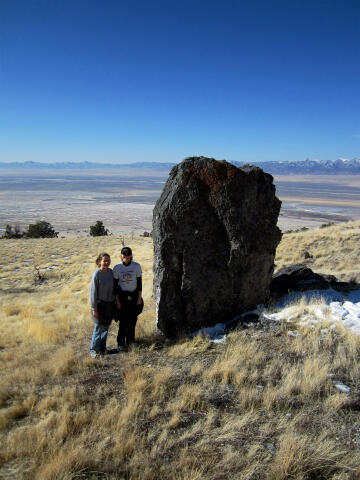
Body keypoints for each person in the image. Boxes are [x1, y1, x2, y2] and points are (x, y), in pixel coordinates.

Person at [113, 247, 143, 350]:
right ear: (121, 256)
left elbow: (139, 283)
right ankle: (120, 344)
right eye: (124, 256)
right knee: (123, 321)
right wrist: (117, 301)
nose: (126, 258)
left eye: (128, 256)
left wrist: (139, 298)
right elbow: (115, 286)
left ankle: (131, 341)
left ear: (131, 255)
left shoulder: (136, 266)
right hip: (122, 297)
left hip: (134, 296)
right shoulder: (117, 267)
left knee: (133, 320)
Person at [89, 252, 118, 358]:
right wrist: (94, 309)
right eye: (104, 260)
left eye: (108, 260)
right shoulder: (97, 274)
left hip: (109, 305)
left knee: (105, 327)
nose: (106, 262)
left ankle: (102, 348)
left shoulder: (111, 272)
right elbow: (93, 293)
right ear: (99, 261)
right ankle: (94, 351)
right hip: (99, 305)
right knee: (98, 328)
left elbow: (115, 288)